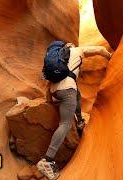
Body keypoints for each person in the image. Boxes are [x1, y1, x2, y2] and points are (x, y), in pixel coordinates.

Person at [37, 42, 112, 180]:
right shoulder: (77, 51)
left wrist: (49, 100)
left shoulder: (58, 60)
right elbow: (99, 49)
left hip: (56, 91)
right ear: (70, 45)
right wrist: (110, 57)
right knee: (64, 124)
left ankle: (79, 122)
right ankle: (47, 160)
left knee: (77, 93)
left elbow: (49, 82)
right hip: (67, 90)